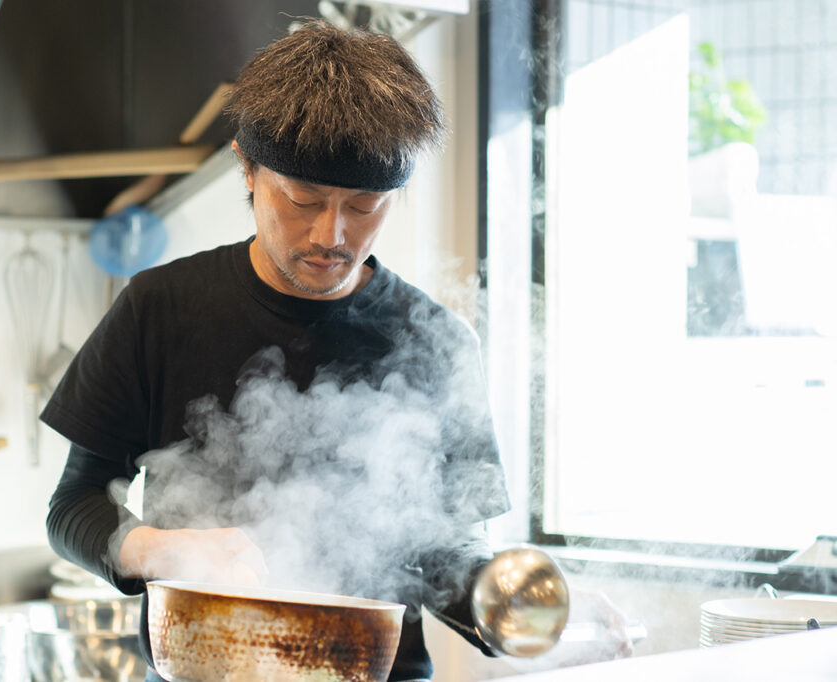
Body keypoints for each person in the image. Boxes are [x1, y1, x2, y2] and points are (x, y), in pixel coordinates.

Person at [42, 19, 628, 682]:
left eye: (364, 205)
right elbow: (74, 505)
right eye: (304, 199)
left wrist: (516, 609)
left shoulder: (435, 340)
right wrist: (160, 549)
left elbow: (445, 548)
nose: (333, 234)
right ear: (247, 168)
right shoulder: (161, 309)